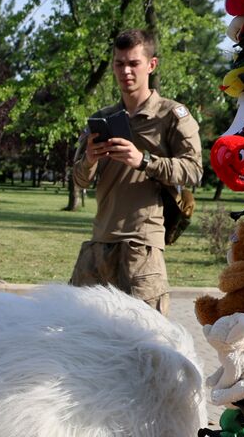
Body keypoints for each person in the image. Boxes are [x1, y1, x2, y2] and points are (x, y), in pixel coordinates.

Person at [70, 29, 202, 316]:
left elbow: (194, 171)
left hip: (141, 249)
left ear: (151, 65)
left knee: (146, 341)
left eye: (134, 63)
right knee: (79, 338)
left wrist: (144, 160)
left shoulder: (171, 115)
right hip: (99, 246)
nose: (126, 71)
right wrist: (90, 159)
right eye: (119, 64)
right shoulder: (101, 119)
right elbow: (79, 179)